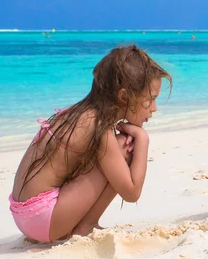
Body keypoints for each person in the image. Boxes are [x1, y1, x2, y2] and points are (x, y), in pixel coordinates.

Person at [9, 45, 171, 242]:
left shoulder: (79, 114)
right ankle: (86, 226)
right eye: (151, 99)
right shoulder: (99, 126)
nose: (154, 108)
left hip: (24, 215)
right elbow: (132, 192)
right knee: (123, 147)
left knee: (109, 154)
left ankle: (78, 224)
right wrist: (143, 140)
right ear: (123, 96)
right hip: (44, 218)